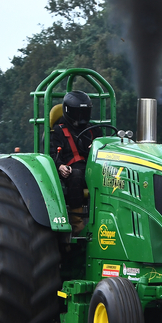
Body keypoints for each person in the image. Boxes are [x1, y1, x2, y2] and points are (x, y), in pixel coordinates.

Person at [50, 90, 101, 234]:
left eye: (84, 112)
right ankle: (77, 224)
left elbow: (104, 144)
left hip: (92, 168)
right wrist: (60, 166)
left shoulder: (94, 130)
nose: (82, 117)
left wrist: (96, 146)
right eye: (78, 113)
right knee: (77, 175)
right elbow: (53, 153)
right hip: (71, 172)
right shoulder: (58, 131)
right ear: (69, 111)